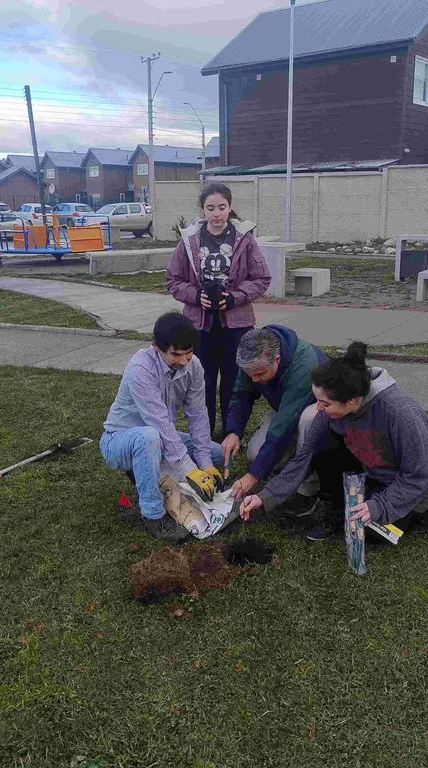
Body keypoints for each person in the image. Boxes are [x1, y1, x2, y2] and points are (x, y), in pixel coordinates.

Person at [239, 342, 428, 542]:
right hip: (377, 472)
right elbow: (303, 459)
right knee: (323, 446)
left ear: (352, 401)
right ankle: (338, 508)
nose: (318, 408)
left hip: (418, 483)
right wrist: (264, 496)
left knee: (369, 532)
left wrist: (379, 506)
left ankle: (426, 510)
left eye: (325, 403)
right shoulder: (331, 409)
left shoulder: (400, 413)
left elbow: (418, 475)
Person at [100, 312, 225, 542]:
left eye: (189, 353)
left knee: (217, 453)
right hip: (120, 440)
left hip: (159, 437)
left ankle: (149, 473)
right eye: (176, 354)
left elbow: (198, 414)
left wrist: (205, 464)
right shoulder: (140, 368)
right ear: (157, 347)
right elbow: (158, 422)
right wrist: (190, 470)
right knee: (149, 438)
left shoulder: (194, 366)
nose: (184, 360)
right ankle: (153, 516)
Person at [166, 182, 271, 436]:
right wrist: (196, 296)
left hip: (236, 326)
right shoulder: (189, 241)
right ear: (202, 209)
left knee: (235, 383)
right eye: (210, 208)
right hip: (200, 326)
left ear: (230, 207)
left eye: (222, 207)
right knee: (202, 382)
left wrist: (235, 298)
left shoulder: (245, 239)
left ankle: (231, 434)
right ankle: (204, 436)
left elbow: (262, 278)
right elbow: (173, 280)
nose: (216, 213)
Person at [221, 326, 327, 510]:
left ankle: (308, 487)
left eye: (259, 374)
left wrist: (253, 476)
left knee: (307, 420)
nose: (254, 379)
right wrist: (234, 431)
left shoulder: (304, 367)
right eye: (250, 374)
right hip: (286, 409)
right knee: (255, 453)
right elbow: (242, 395)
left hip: (321, 413)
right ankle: (287, 470)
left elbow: (283, 426)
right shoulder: (253, 360)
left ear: (277, 360)